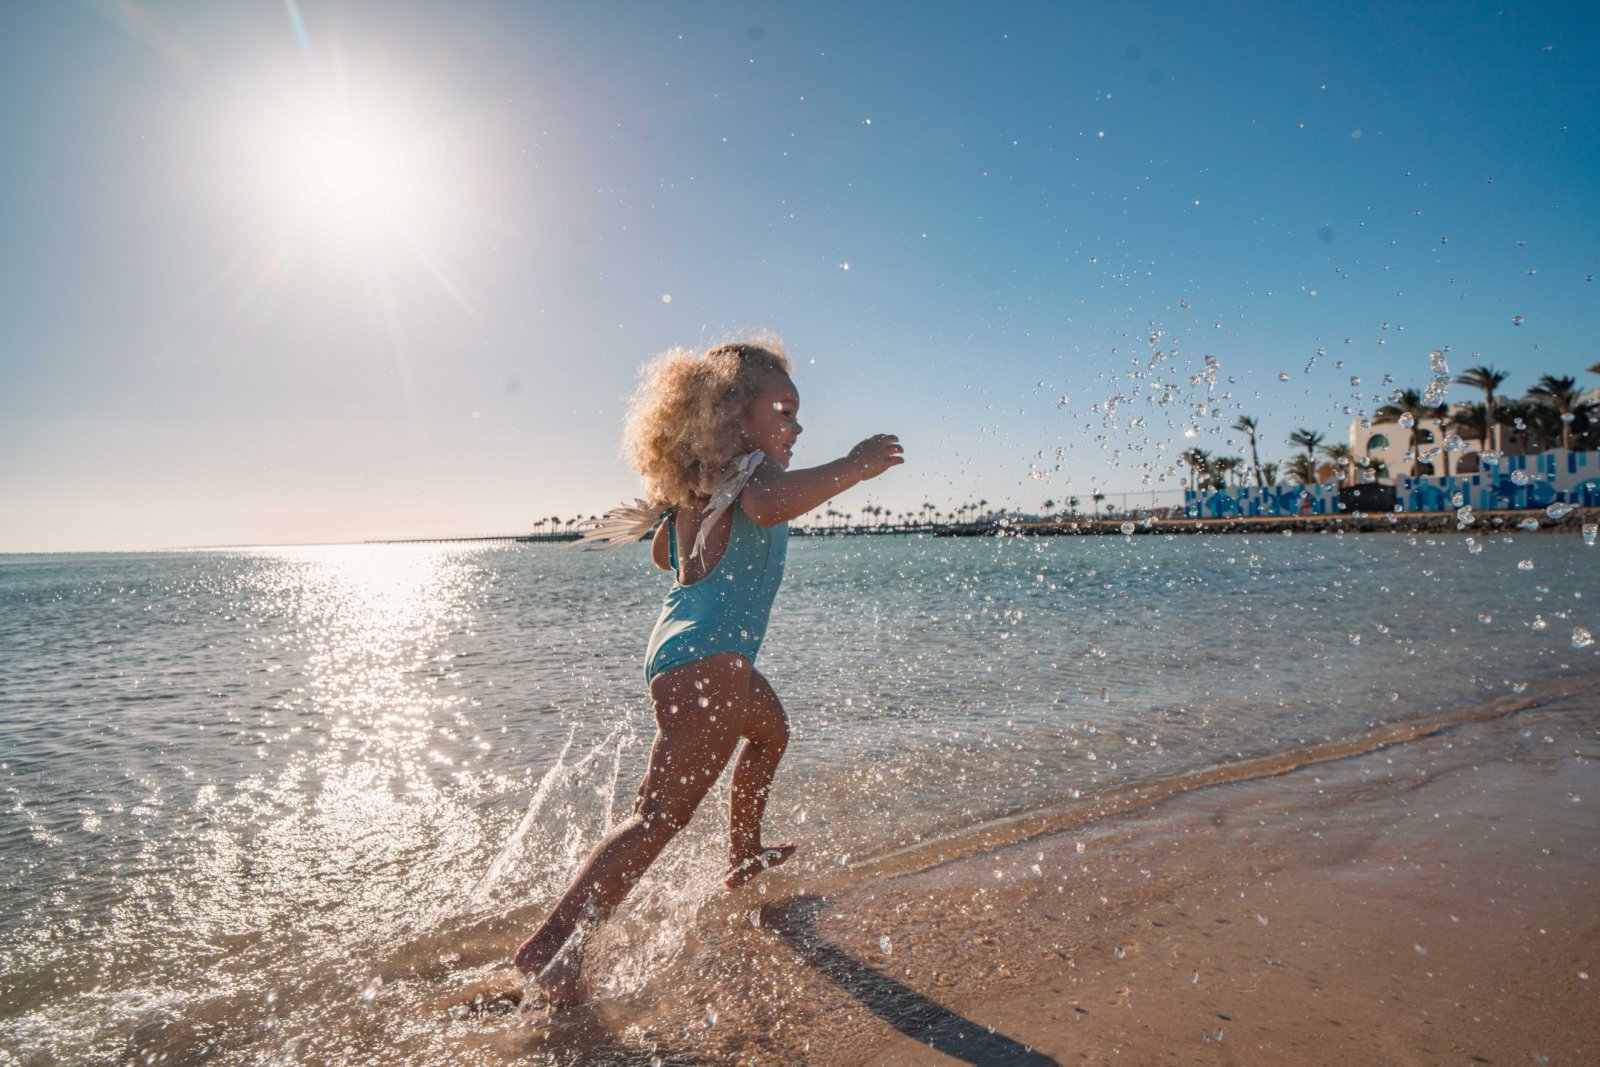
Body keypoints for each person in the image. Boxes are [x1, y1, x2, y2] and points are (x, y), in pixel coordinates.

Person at [512, 337, 904, 1006]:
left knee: (772, 731)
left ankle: (743, 853)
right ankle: (549, 950)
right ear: (731, 418)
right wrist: (856, 465)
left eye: (797, 413)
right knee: (660, 817)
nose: (796, 426)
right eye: (783, 410)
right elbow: (771, 506)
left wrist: (687, 514)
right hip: (711, 661)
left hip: (687, 654)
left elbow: (666, 555)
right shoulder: (755, 482)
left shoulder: (701, 493)